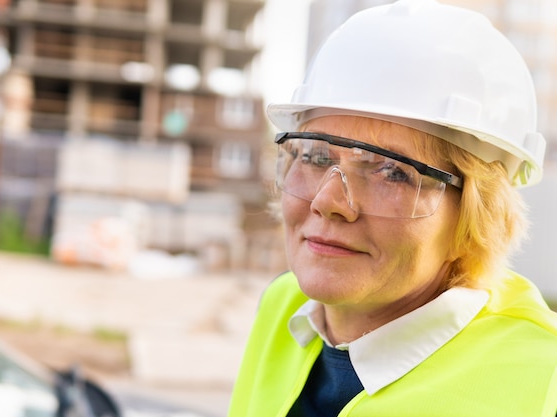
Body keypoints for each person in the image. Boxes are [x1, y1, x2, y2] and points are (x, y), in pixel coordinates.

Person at [228, 0, 557, 416]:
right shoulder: (285, 304)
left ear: (477, 215)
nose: (328, 201)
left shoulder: (544, 380)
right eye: (314, 156)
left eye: (392, 172)